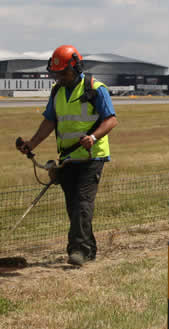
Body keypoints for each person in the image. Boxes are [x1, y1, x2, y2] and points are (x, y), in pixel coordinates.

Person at [16, 45, 119, 266]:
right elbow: (50, 121)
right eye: (56, 73)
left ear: (76, 67)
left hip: (92, 156)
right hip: (68, 158)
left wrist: (93, 137)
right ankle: (88, 248)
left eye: (63, 72)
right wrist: (31, 143)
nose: (59, 76)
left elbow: (111, 120)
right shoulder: (57, 91)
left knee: (82, 202)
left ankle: (78, 250)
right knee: (74, 206)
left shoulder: (95, 89)